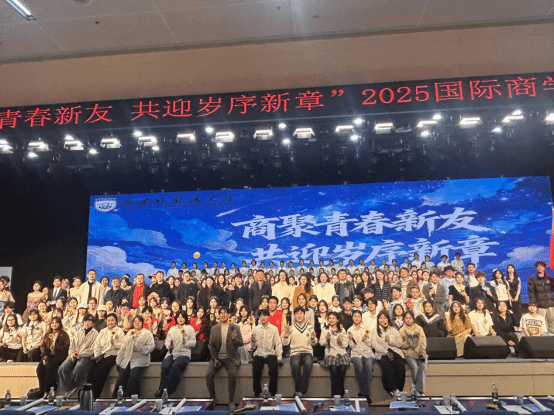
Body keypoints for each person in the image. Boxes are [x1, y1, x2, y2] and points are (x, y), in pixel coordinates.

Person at [206, 307, 243, 412]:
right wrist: (215, 358)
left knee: (232, 375)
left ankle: (231, 401)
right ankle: (213, 399)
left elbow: (240, 343)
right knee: (208, 375)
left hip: (230, 357)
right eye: (221, 313)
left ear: (229, 314)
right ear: (218, 315)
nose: (223, 315)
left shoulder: (235, 327)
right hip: (217, 357)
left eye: (225, 313)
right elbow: (211, 345)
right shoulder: (214, 328)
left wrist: (234, 339)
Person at [155, 310, 196, 397]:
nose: (180, 319)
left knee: (175, 367)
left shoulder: (189, 329)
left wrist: (186, 343)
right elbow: (167, 341)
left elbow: (193, 343)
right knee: (165, 366)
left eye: (182, 317)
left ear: (185, 318)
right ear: (176, 318)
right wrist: (169, 346)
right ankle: (161, 389)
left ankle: (167, 391)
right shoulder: (172, 329)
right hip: (172, 353)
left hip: (184, 353)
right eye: (179, 317)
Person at [113, 315, 155, 397]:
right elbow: (123, 347)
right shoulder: (129, 333)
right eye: (135, 321)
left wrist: (139, 348)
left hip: (140, 359)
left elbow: (151, 347)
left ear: (142, 323)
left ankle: (132, 397)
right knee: (122, 376)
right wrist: (119, 360)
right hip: (128, 358)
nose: (137, 323)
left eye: (139, 321)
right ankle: (117, 397)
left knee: (133, 376)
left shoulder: (147, 334)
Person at [58, 314, 98, 395]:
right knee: (62, 368)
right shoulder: (79, 332)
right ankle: (68, 388)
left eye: (89, 321)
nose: (87, 323)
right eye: (85, 321)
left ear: (92, 323)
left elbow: (93, 349)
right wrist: (72, 354)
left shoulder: (96, 334)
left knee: (79, 367)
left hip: (86, 356)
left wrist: (81, 354)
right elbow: (72, 346)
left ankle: (74, 385)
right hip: (75, 355)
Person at [282, 306, 317, 397]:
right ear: (294, 316)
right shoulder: (291, 328)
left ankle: (300, 391)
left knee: (308, 365)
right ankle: (301, 391)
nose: (299, 315)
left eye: (301, 313)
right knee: (295, 365)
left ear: (304, 315)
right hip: (295, 352)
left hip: (307, 351)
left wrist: (313, 338)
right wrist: (286, 334)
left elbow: (314, 343)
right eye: (297, 314)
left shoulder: (310, 327)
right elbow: (285, 343)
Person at [89, 312, 124, 399]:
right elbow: (97, 344)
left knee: (102, 369)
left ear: (116, 321)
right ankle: (88, 393)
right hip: (103, 354)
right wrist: (96, 355)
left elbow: (123, 345)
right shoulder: (103, 331)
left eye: (112, 320)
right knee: (92, 369)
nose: (110, 322)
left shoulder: (119, 331)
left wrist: (114, 344)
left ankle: (96, 394)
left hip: (114, 354)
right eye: (109, 320)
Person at [372, 310, 405, 396]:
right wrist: (385, 352)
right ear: (378, 319)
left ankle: (399, 389)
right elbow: (375, 345)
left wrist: (390, 340)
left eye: (384, 318)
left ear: (388, 319)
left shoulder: (393, 329)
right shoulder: (374, 330)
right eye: (380, 318)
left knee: (400, 365)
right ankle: (392, 388)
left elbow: (400, 343)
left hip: (395, 351)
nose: (382, 320)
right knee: (387, 365)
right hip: (381, 352)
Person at [251, 309, 282, 397]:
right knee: (256, 370)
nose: (263, 318)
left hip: (270, 353)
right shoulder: (255, 329)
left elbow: (278, 343)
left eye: (264, 315)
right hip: (259, 353)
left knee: (273, 369)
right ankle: (257, 393)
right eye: (261, 316)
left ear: (268, 316)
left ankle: (273, 392)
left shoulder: (274, 329)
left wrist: (279, 357)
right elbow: (253, 347)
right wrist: (253, 341)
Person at [36, 316, 70, 397]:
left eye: (56, 323)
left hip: (60, 355)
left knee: (50, 367)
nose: (54, 325)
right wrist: (44, 356)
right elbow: (43, 346)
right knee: (40, 368)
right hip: (49, 355)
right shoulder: (47, 334)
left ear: (60, 324)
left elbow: (66, 347)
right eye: (52, 323)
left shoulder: (64, 334)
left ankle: (49, 389)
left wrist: (55, 349)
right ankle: (42, 389)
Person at [319, 311, 350, 397]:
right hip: (330, 353)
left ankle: (341, 393)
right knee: (334, 370)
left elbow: (345, 345)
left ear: (337, 320)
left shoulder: (342, 330)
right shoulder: (325, 330)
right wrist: (326, 339)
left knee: (342, 369)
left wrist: (340, 342)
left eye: (333, 318)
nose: (331, 320)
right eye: (330, 318)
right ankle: (335, 394)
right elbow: (321, 343)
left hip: (341, 352)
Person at [348, 309, 374, 403]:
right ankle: (366, 394)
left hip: (367, 352)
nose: (357, 318)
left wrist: (365, 339)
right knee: (359, 367)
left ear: (361, 318)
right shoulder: (350, 330)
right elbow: (352, 346)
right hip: (356, 353)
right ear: (352, 317)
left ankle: (364, 392)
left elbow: (370, 344)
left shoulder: (366, 329)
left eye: (358, 316)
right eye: (355, 316)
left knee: (368, 365)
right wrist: (351, 340)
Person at [400, 311, 427, 395]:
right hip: (408, 354)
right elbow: (400, 344)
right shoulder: (402, 330)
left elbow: (423, 341)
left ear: (413, 319)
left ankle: (417, 389)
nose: (408, 320)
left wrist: (421, 351)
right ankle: (420, 391)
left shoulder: (419, 328)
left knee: (423, 366)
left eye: (410, 318)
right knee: (415, 367)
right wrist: (407, 343)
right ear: (404, 319)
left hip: (420, 353)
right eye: (406, 318)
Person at [505, 264, 522, 329]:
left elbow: (519, 288)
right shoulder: (505, 278)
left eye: (512, 268)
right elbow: (506, 288)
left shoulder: (517, 278)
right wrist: (509, 296)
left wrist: (517, 296)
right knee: (511, 310)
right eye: (509, 268)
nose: (510, 269)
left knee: (518, 311)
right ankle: (513, 325)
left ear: (514, 269)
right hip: (509, 296)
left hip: (516, 295)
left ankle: (518, 325)